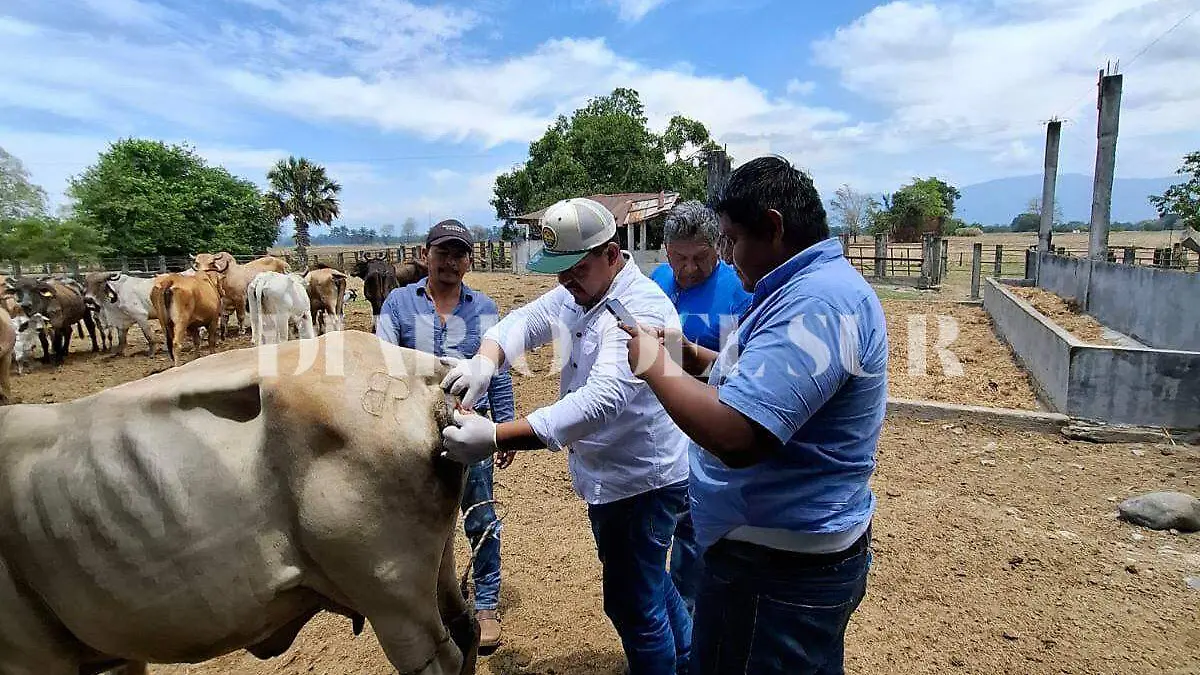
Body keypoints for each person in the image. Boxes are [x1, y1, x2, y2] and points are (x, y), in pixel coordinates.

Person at [621, 156, 887, 675]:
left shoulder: (818, 304)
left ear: (773, 227)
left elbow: (740, 435)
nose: (726, 256)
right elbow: (761, 381)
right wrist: (690, 357)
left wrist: (655, 367)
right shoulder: (805, 290)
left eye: (732, 240)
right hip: (780, 556)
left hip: (779, 572)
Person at [439, 197, 693, 675]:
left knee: (635, 608)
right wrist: (486, 360)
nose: (564, 281)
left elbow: (601, 401)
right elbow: (526, 320)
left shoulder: (638, 307)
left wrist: (497, 435)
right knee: (650, 587)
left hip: (640, 483)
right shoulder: (585, 289)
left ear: (613, 255)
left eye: (574, 268)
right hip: (619, 476)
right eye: (559, 271)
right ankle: (687, 661)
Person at [374, 218, 516, 651]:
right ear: (425, 256)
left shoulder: (484, 307)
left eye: (458, 254)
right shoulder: (398, 303)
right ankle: (429, 599)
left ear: (468, 261)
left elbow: (499, 369)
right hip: (412, 427)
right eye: (442, 253)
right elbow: (381, 363)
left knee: (480, 511)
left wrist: (504, 425)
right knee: (415, 515)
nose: (450, 262)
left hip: (471, 423)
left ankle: (487, 602)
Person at [649, 200, 751, 615]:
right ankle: (666, 621)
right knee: (656, 528)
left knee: (693, 532)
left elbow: (744, 368)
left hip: (708, 425)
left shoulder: (740, 292)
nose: (688, 269)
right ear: (667, 252)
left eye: (699, 259)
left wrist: (683, 354)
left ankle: (689, 624)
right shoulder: (656, 280)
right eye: (679, 259)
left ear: (718, 249)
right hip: (657, 424)